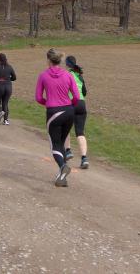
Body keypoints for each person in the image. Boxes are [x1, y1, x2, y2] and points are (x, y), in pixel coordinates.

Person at [35, 48, 80, 187]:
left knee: (55, 144)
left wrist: (49, 103)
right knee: (61, 143)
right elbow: (77, 96)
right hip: (69, 112)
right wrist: (69, 105)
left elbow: (38, 98)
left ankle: (62, 166)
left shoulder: (43, 75)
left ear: (48, 60)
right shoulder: (68, 75)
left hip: (54, 112)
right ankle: (62, 178)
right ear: (59, 60)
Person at [64, 56, 90, 169]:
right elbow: (84, 92)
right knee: (80, 132)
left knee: (65, 128)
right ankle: (84, 158)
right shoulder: (79, 75)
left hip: (71, 103)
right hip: (82, 104)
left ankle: (68, 151)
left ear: (66, 64)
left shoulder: (66, 74)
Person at [0, 53, 17, 125]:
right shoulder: (9, 66)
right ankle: (6, 121)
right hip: (8, 86)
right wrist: (8, 79)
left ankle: (1, 112)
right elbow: (14, 77)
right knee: (5, 103)